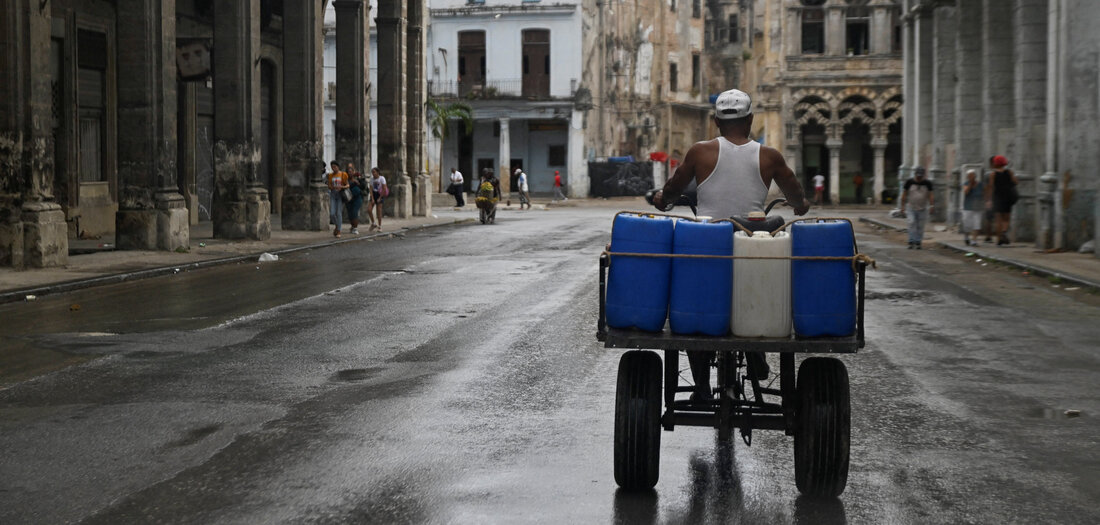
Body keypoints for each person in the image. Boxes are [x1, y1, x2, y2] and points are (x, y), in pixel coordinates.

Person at [653, 88, 811, 401]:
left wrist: (663, 199)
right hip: (752, 241)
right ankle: (757, 351)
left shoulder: (700, 152)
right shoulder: (769, 156)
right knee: (763, 281)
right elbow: (795, 194)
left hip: (707, 243)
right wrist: (800, 205)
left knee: (694, 308)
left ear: (715, 121)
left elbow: (673, 188)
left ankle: (700, 387)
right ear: (750, 120)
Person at [987, 155, 1018, 246]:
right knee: (1006, 218)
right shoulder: (1009, 172)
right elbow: (1016, 182)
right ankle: (1004, 232)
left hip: (997, 197)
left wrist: (989, 200)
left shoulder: (993, 174)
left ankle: (999, 238)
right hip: (1008, 197)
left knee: (998, 219)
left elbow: (991, 187)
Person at [900, 166, 934, 249]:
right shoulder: (909, 182)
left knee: (920, 225)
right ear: (915, 174)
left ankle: (918, 241)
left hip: (923, 207)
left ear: (923, 175)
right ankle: (911, 241)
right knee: (911, 223)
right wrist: (902, 206)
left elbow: (931, 195)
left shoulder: (927, 183)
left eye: (920, 176)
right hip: (911, 207)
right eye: (917, 176)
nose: (919, 178)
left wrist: (931, 205)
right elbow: (904, 194)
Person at [326, 161, 349, 237]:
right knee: (332, 213)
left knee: (339, 213)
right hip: (333, 194)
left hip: (340, 194)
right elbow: (329, 185)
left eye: (335, 167)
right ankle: (337, 225)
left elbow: (347, 185)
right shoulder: (330, 175)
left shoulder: (343, 174)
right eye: (332, 167)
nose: (333, 168)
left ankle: (339, 230)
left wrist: (341, 187)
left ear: (338, 167)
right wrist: (332, 187)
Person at [961, 169, 983, 246]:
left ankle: (974, 240)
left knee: (977, 224)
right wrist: (970, 183)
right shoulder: (966, 183)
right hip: (968, 207)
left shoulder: (980, 184)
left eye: (973, 175)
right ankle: (966, 237)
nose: (971, 177)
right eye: (969, 176)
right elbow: (966, 192)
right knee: (967, 225)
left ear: (975, 176)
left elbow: (984, 193)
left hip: (978, 207)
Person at [346, 163, 366, 234]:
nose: (350, 173)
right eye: (349, 171)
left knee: (355, 211)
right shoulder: (345, 179)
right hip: (348, 197)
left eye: (351, 171)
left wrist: (358, 183)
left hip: (357, 197)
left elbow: (363, 186)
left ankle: (355, 228)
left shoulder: (358, 177)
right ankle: (352, 226)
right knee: (350, 213)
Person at [367, 167, 388, 231]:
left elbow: (384, 188)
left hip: (380, 194)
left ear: (378, 172)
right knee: (369, 209)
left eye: (374, 172)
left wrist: (380, 197)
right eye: (372, 172)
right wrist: (372, 198)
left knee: (379, 211)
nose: (373, 174)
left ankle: (380, 226)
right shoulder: (372, 179)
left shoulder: (382, 178)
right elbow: (370, 189)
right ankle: (373, 223)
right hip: (374, 194)